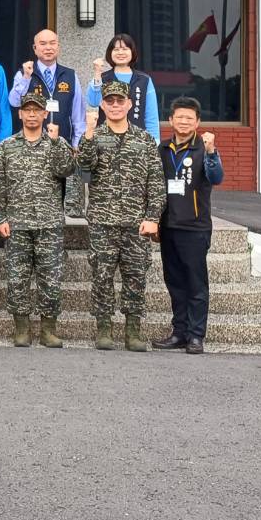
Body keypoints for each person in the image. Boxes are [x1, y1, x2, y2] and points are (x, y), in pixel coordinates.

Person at [76, 80, 167, 351]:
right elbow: (83, 168)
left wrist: (153, 216)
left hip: (136, 222)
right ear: (102, 105)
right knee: (102, 276)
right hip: (103, 221)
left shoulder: (145, 140)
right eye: (109, 101)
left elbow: (156, 183)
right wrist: (89, 133)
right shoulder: (95, 136)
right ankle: (103, 328)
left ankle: (132, 330)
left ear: (129, 104)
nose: (115, 106)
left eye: (119, 101)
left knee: (136, 276)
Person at [0, 90, 77, 348]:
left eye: (36, 110)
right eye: (27, 110)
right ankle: (22, 328)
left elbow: (67, 169)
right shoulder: (7, 146)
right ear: (20, 113)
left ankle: (48, 329)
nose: (31, 114)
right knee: (17, 278)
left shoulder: (56, 142)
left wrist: (55, 142)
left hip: (49, 223)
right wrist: (1, 218)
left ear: (44, 113)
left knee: (50, 278)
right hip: (16, 223)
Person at [153, 96, 224, 355]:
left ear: (197, 122)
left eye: (189, 118)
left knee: (195, 283)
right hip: (168, 226)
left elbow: (216, 177)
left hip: (194, 227)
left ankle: (196, 336)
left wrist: (212, 151)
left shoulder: (204, 149)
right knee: (174, 282)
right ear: (170, 120)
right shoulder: (162, 149)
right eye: (179, 117)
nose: (183, 122)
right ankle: (179, 333)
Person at [8, 28, 86, 218]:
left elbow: (78, 114)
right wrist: (26, 78)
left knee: (61, 195)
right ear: (35, 49)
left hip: (62, 144)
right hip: (31, 147)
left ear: (58, 47)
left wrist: (77, 144)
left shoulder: (70, 75)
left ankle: (57, 242)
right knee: (34, 194)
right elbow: (14, 101)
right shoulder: (24, 73)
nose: (48, 48)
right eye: (43, 44)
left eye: (52, 43)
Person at [86, 33, 160, 141]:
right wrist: (97, 73)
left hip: (137, 142)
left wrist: (155, 142)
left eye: (125, 49)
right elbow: (93, 102)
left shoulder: (144, 80)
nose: (120, 53)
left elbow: (151, 116)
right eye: (116, 50)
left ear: (132, 52)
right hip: (106, 141)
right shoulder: (103, 78)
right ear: (110, 53)